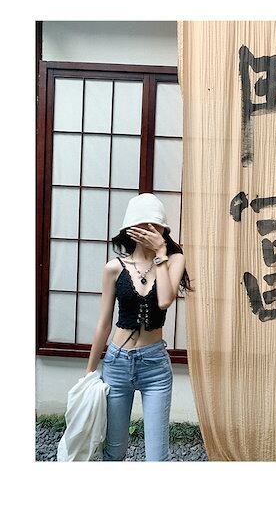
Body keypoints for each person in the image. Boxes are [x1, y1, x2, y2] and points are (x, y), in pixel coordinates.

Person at [85, 193, 194, 461]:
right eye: (143, 226)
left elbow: (165, 300)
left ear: (164, 230)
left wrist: (161, 254)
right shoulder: (114, 268)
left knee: (157, 456)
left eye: (155, 226)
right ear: (130, 229)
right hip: (117, 363)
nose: (149, 231)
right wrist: (88, 373)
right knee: (114, 451)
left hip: (154, 366)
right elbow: (104, 323)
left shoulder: (174, 260)